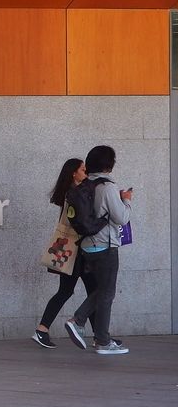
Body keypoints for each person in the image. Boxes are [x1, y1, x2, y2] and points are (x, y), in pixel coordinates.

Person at [64, 145, 132, 355]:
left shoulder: (85, 185)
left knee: (102, 290)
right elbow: (121, 218)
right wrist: (126, 201)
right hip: (105, 244)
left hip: (87, 245)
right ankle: (81, 323)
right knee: (106, 292)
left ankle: (101, 337)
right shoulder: (107, 187)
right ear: (108, 164)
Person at [32, 158, 101, 348]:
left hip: (72, 250)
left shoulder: (73, 192)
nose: (86, 172)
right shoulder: (74, 194)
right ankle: (99, 337)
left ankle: (43, 329)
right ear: (74, 172)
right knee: (91, 291)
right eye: (83, 169)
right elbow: (79, 223)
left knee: (74, 291)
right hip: (76, 251)